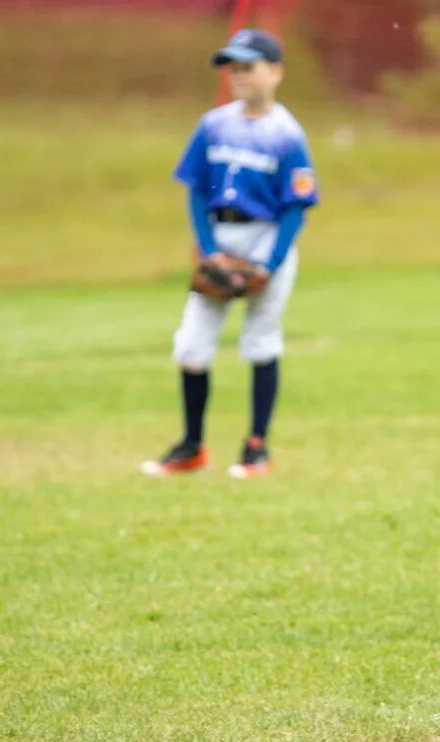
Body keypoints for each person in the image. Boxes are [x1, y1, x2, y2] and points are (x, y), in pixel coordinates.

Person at [143, 28, 319, 479]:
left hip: (265, 239)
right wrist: (206, 250)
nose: (239, 76)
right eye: (233, 67)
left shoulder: (287, 134)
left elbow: (296, 208)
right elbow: (198, 192)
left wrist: (270, 264)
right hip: (220, 238)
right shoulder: (214, 124)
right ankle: (191, 446)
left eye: (249, 66)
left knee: (260, 342)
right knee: (191, 346)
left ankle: (256, 447)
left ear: (275, 72)